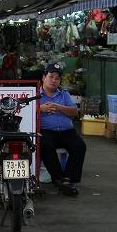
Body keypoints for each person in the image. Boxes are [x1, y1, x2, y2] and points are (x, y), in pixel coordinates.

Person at [38, 63, 86, 197]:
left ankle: (68, 179)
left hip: (66, 131)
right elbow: (26, 112)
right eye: (51, 77)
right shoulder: (36, 95)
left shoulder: (64, 94)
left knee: (79, 146)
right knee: (45, 144)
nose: (54, 80)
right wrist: (40, 109)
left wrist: (57, 106)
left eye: (57, 78)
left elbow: (74, 112)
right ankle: (58, 179)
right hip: (46, 131)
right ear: (43, 77)